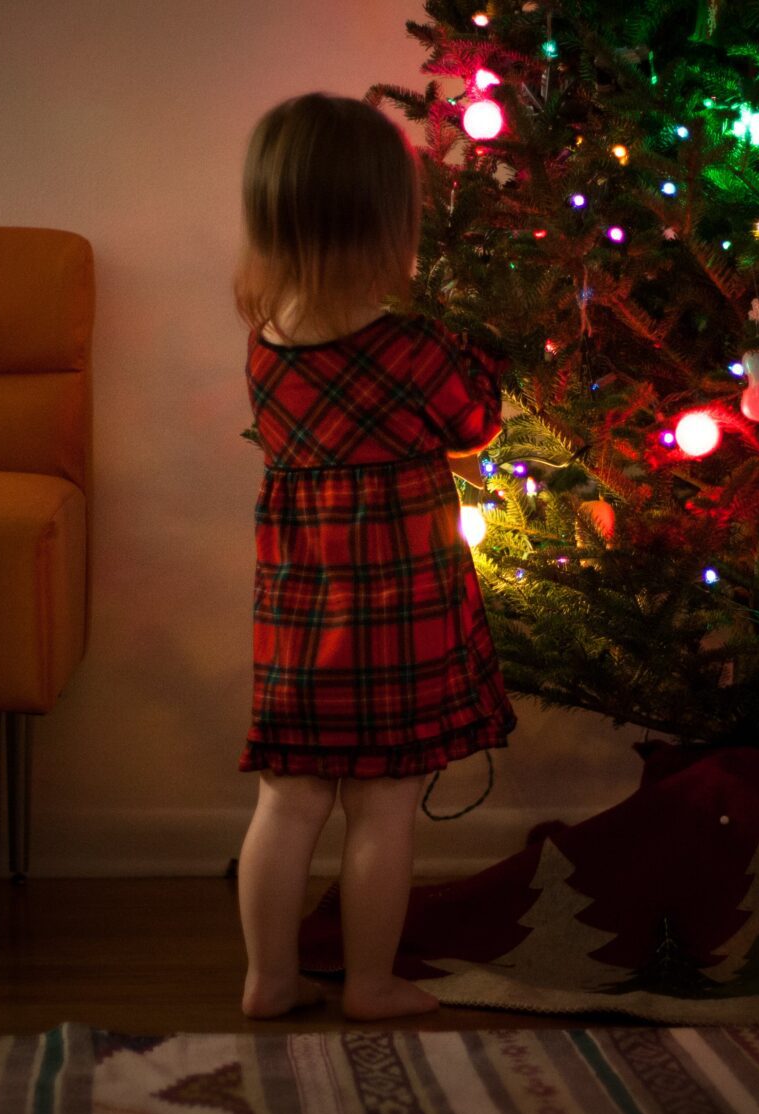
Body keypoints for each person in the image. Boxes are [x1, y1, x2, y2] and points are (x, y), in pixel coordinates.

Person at [229, 92, 518, 1021]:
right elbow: (474, 425)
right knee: (382, 808)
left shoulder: (266, 344)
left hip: (301, 606)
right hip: (398, 603)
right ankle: (369, 984)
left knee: (287, 801)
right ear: (386, 221)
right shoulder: (412, 344)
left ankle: (268, 979)